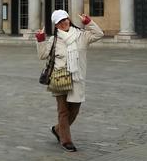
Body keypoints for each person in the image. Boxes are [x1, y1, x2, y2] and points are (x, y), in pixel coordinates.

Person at [36, 9, 104, 152]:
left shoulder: (81, 36)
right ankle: (66, 140)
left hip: (77, 78)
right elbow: (42, 55)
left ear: (69, 19)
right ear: (56, 25)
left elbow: (99, 34)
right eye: (59, 22)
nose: (63, 23)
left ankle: (57, 129)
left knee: (74, 110)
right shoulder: (54, 40)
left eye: (65, 19)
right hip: (59, 78)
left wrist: (88, 22)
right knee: (63, 111)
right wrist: (40, 39)